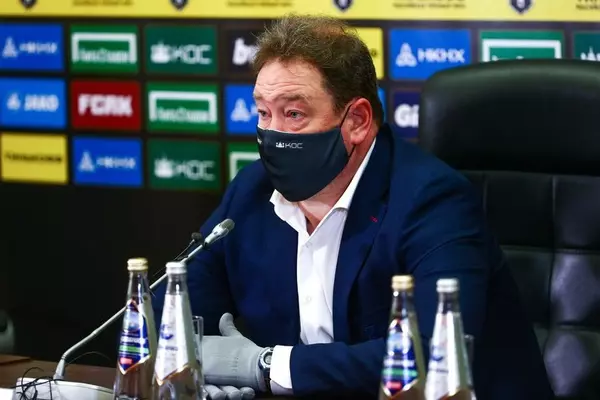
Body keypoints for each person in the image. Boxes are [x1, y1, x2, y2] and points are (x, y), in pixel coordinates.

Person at [153, 14, 554, 400]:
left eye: (293, 114)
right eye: (263, 112)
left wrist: (264, 366)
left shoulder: (433, 201)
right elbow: (167, 316)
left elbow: (433, 352)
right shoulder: (251, 193)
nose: (272, 133)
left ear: (357, 120)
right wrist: (199, 369)